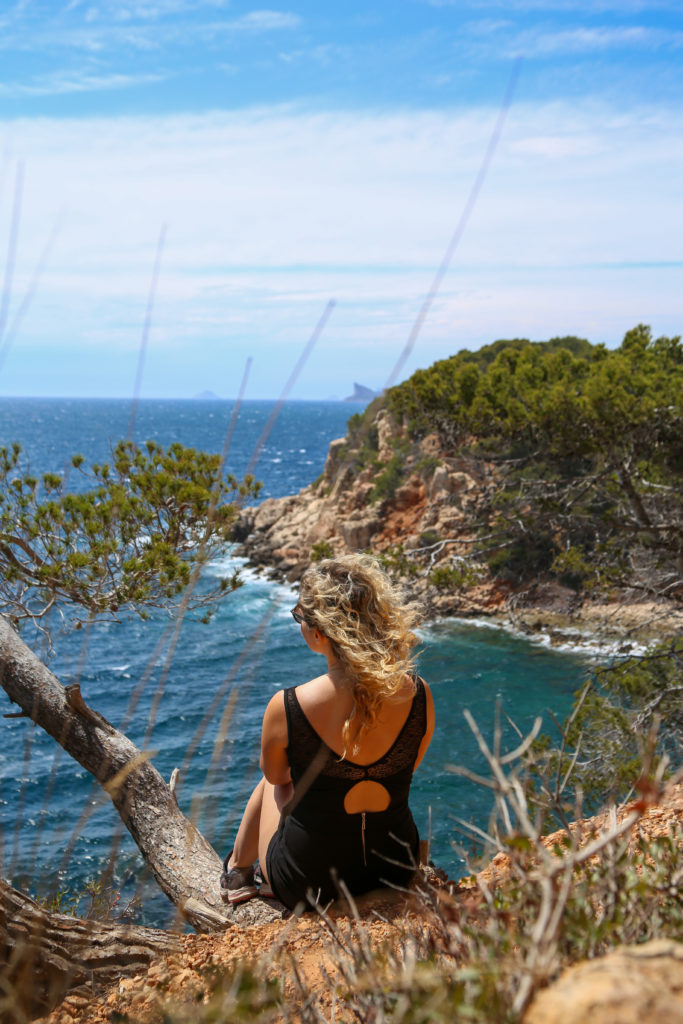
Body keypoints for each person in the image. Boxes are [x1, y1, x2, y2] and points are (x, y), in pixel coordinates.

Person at [220, 553, 435, 910]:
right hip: (394, 870)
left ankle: (239, 873)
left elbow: (275, 777)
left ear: (319, 633)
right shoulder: (418, 692)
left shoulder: (288, 705)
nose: (298, 622)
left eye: (298, 617)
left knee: (274, 779)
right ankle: (240, 871)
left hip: (309, 884)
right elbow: (406, 769)